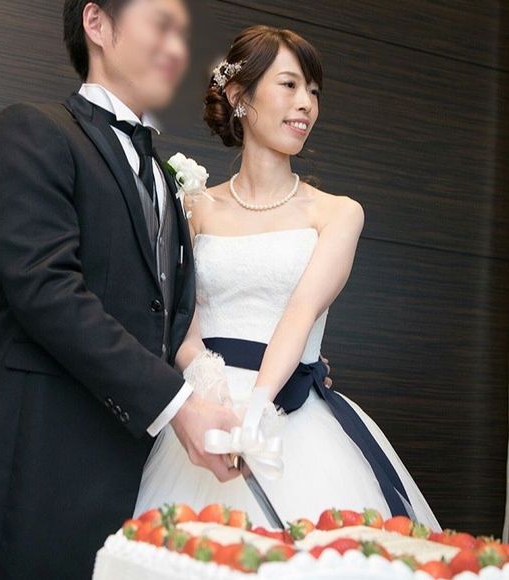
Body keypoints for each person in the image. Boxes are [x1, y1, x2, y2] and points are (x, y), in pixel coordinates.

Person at [0, 1, 315, 578]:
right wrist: (177, 406)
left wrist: (257, 379)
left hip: (126, 475)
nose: (177, 47)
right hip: (34, 464)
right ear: (97, 23)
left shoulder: (163, 176)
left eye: (181, 32)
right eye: (159, 24)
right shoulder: (33, 130)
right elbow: (46, 290)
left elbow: (170, 317)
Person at [133, 24, 442, 532]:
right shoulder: (193, 206)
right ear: (239, 96)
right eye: (289, 85)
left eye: (313, 92)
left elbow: (300, 313)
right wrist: (211, 391)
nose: (306, 105)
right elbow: (181, 319)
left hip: (290, 416)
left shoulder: (338, 213)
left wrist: (256, 411)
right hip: (204, 412)